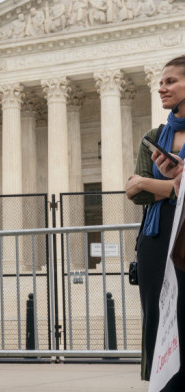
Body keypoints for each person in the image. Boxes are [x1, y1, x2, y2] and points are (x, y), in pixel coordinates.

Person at [125, 55, 185, 390]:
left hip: (184, 240)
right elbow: (134, 190)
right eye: (161, 82)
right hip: (156, 240)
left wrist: (152, 184)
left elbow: (144, 183)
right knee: (158, 323)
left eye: (171, 81)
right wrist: (169, 187)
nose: (162, 87)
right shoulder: (154, 134)